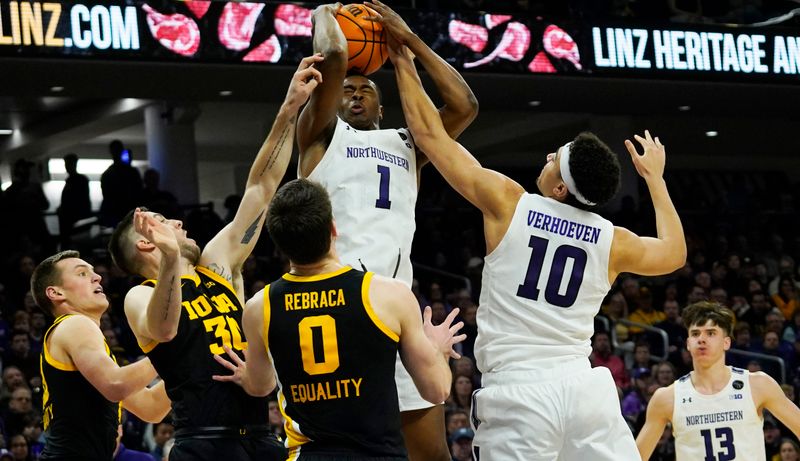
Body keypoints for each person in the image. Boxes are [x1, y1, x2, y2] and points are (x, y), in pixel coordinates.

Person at [391, 35, 687, 459]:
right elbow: (674, 253)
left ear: (562, 188)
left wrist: (402, 56)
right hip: (585, 392)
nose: (548, 155)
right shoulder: (612, 240)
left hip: (519, 392)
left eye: (555, 158)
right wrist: (655, 180)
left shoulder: (510, 203)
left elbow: (428, 135)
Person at [107, 55, 324, 461]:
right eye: (160, 221)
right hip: (203, 441)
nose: (176, 220)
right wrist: (172, 260)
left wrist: (289, 109)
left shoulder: (216, 266)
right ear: (146, 244)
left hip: (260, 436)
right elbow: (165, 330)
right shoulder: (140, 295)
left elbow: (261, 187)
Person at [298, 3, 478, 459]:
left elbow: (464, 105)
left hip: (397, 314)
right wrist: (323, 13)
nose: (356, 94)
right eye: (348, 90)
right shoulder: (320, 137)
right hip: (335, 308)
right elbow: (336, 57)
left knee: (430, 454)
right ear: (333, 98)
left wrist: (407, 50)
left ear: (382, 104)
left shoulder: (407, 144)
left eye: (367, 89)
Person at [212, 178, 465, 460]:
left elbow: (261, 386)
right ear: (333, 228)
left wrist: (245, 374)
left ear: (280, 244)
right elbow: (437, 389)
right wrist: (439, 350)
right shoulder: (388, 294)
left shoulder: (259, 306)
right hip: (379, 455)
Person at [29, 250, 171, 461]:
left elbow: (151, 408)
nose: (97, 277)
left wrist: (195, 357)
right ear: (56, 293)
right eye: (82, 274)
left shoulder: (87, 350)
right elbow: (116, 384)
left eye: (93, 272)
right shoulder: (74, 324)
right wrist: (172, 348)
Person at [636, 301, 800, 460]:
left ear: (726, 342)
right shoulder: (667, 397)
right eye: (695, 334)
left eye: (711, 333)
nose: (701, 339)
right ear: (688, 343)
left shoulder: (757, 385)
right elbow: (634, 457)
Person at [100, 141, 143, 227]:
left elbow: (107, 196)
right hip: (126, 213)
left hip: (118, 213)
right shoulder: (131, 172)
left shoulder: (108, 174)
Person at [57, 153, 92, 249]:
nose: (66, 167)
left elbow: (77, 201)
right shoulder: (76, 180)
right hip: (74, 222)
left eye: (68, 164)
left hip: (74, 222)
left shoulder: (77, 181)